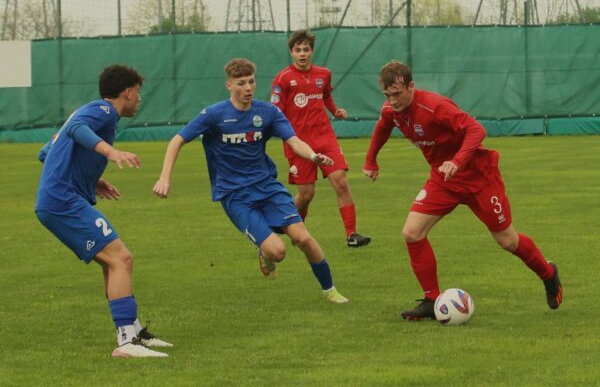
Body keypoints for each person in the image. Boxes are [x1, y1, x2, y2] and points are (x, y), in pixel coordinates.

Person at [362, 60, 563, 320]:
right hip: (443, 178)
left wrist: (457, 161)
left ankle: (548, 274)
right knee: (412, 233)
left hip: (479, 177)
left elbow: (476, 130)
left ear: (411, 86)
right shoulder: (391, 110)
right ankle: (431, 300)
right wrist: (371, 160)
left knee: (506, 240)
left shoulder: (434, 106)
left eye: (397, 94)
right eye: (387, 95)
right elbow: (382, 127)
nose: (392, 101)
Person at [153, 58, 348, 304]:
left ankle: (330, 291)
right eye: (241, 83)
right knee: (278, 252)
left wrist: (312, 155)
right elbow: (177, 140)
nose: (248, 88)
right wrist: (164, 177)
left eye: (251, 82)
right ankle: (265, 252)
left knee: (303, 238)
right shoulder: (214, 115)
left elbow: (293, 140)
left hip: (267, 186)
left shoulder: (267, 112)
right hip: (235, 195)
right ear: (229, 86)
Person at [35, 64, 172, 357]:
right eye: (138, 93)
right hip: (63, 202)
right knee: (121, 258)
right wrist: (111, 152)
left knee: (114, 262)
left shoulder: (88, 111)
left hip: (62, 199)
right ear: (128, 91)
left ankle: (133, 333)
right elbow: (75, 130)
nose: (139, 99)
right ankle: (126, 342)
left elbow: (46, 153)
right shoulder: (105, 111)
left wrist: (92, 180)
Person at [271, 29, 370, 248]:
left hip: (325, 138)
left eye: (306, 49)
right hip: (298, 143)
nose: (302, 53)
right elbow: (275, 110)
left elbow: (325, 95)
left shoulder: (323, 74)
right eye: (298, 50)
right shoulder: (283, 78)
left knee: (341, 182)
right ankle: (296, 229)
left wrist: (335, 112)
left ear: (312, 51)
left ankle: (352, 234)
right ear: (291, 53)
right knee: (306, 194)